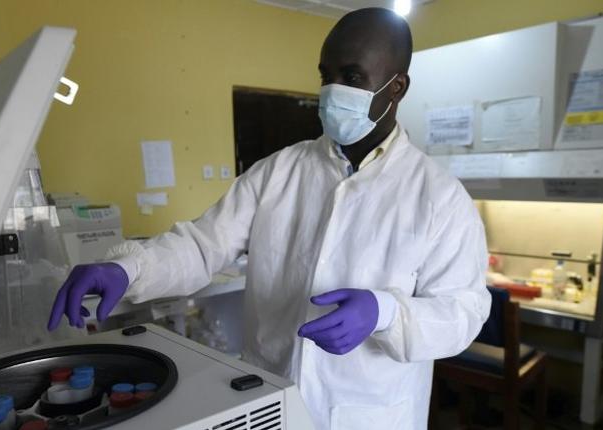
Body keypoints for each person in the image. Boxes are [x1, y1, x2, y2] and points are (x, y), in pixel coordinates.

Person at [48, 7, 490, 429]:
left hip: (369, 415)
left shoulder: (439, 198)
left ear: (396, 87)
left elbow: (463, 313)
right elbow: (204, 245)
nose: (332, 90)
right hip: (269, 400)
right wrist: (129, 268)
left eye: (352, 77)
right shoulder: (279, 172)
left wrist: (385, 313)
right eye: (326, 76)